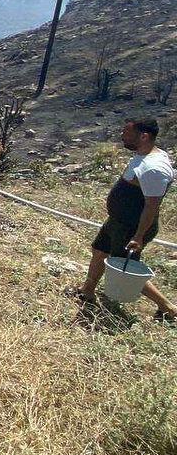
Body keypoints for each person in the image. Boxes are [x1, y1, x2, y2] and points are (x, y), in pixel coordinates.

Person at [78, 117, 175, 322]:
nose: (122, 135)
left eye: (127, 132)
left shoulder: (154, 168)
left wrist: (138, 236)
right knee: (100, 250)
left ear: (144, 136)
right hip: (118, 220)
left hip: (131, 227)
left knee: (125, 270)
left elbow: (151, 206)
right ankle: (87, 290)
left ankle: (168, 308)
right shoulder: (142, 156)